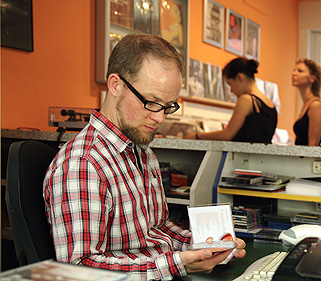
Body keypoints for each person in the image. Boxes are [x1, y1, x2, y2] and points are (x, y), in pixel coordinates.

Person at [43, 34, 246, 281]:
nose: (160, 118)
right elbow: (79, 269)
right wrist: (176, 265)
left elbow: (156, 229)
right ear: (116, 85)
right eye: (152, 102)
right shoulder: (84, 164)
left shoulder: (141, 150)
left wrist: (203, 246)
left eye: (169, 106)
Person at [184, 57, 277, 143]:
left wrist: (196, 136)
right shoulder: (270, 104)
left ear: (240, 77)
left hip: (244, 159)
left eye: (230, 84)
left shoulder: (246, 100)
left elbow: (227, 135)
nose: (231, 90)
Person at [292, 59, 321, 146]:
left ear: (312, 78)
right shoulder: (306, 105)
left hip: (307, 159)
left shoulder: (315, 106)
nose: (294, 73)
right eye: (294, 70)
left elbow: (313, 146)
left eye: (300, 71)